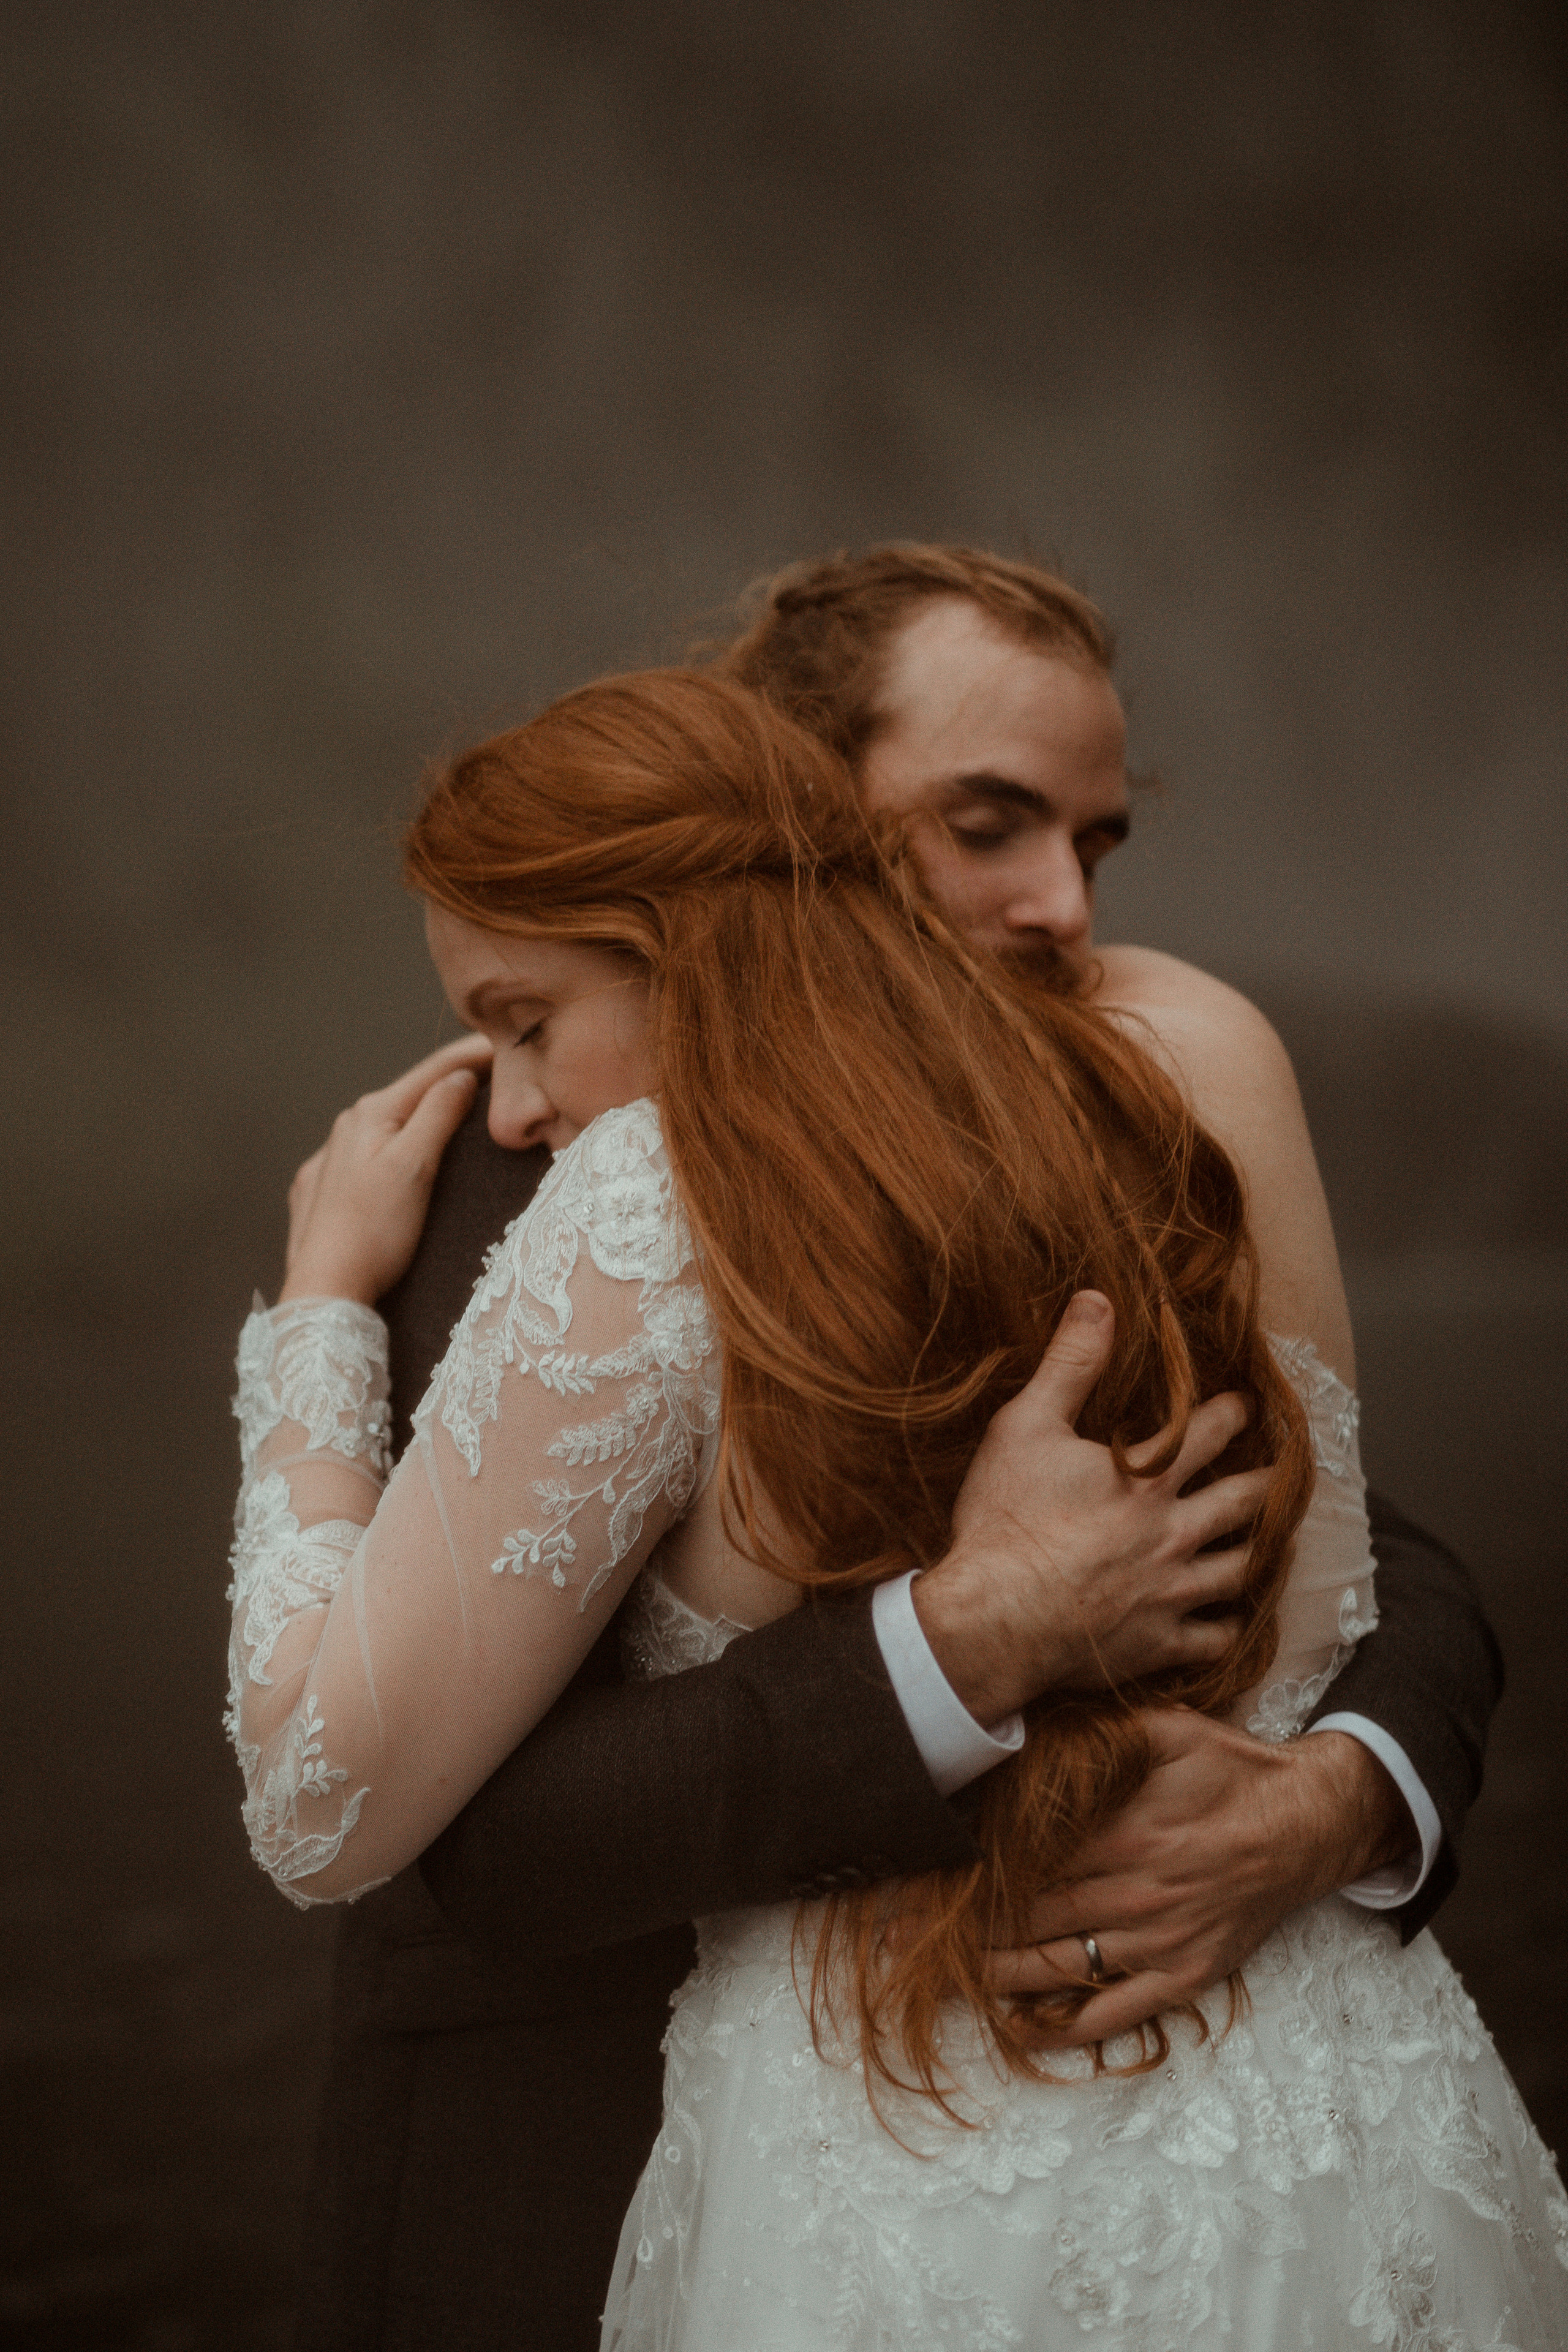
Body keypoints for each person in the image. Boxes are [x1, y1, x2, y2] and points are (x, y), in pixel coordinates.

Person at [230, 664, 1566, 2346]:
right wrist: (961, 1637)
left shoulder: (669, 1185)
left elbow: (318, 1803)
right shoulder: (1146, 1091)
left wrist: (312, 1324)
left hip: (905, 2154)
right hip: (1325, 2133)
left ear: (679, 940)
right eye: (986, 822)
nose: (511, 1099)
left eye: (525, 1019)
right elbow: (491, 1837)